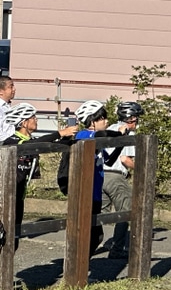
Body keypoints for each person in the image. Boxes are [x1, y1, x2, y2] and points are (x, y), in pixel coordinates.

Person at [2, 103, 77, 245]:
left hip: (19, 195)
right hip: (6, 196)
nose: (37, 120)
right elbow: (32, 145)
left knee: (14, 241)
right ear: (24, 122)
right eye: (33, 118)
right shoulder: (12, 141)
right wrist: (59, 133)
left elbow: (43, 145)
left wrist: (66, 138)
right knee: (5, 238)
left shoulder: (30, 141)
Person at [101, 101, 142, 259]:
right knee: (124, 212)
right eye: (136, 118)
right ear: (130, 118)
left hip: (101, 174)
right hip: (116, 176)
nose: (137, 122)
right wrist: (140, 167)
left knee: (100, 213)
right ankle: (117, 249)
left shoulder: (110, 128)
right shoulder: (129, 135)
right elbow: (125, 159)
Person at [74, 100, 113, 256]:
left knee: (95, 235)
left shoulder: (98, 140)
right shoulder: (84, 135)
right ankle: (79, 266)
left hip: (95, 192)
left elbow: (109, 160)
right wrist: (118, 133)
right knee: (90, 234)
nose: (106, 121)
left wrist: (122, 141)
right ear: (92, 121)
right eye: (102, 118)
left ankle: (81, 264)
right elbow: (100, 134)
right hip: (85, 192)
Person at [0, 76, 16, 143]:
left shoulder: (6, 107)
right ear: (0, 91)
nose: (14, 89)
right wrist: (12, 141)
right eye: (11, 87)